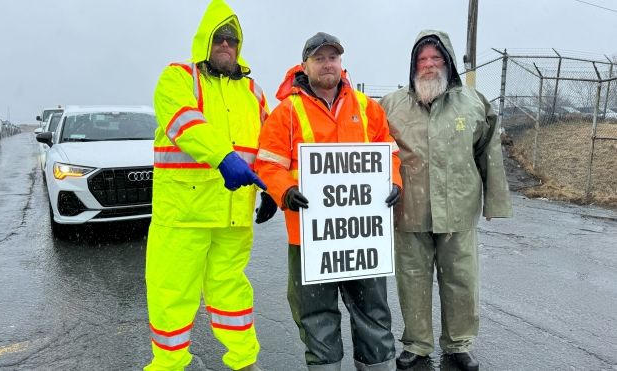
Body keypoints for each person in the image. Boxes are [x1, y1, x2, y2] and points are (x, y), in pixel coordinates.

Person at [255, 32, 403, 371]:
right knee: (316, 316)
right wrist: (285, 191)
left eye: (333, 57)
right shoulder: (286, 113)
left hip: (362, 236)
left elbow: (389, 152)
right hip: (310, 238)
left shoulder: (368, 108)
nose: (327, 64)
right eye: (319, 58)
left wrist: (393, 181)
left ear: (341, 63)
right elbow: (267, 164)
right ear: (305, 65)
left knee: (373, 312)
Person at [145, 1, 276, 370]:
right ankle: (169, 366)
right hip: (184, 214)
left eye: (232, 40)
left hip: (234, 215)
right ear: (205, 41)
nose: (225, 45)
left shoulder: (253, 92)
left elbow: (268, 145)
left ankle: (245, 361)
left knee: (231, 292)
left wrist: (271, 187)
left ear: (240, 46)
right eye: (219, 38)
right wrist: (224, 157)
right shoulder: (178, 78)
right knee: (173, 293)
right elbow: (185, 123)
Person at [379, 30, 513, 371]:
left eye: (435, 58)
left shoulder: (474, 103)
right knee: (412, 279)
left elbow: (489, 153)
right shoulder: (390, 105)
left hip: (458, 210)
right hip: (408, 209)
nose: (428, 65)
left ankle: (458, 345)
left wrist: (494, 203)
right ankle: (417, 344)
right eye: (422, 59)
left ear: (448, 62)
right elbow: (370, 150)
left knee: (461, 279)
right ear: (413, 65)